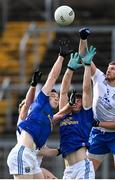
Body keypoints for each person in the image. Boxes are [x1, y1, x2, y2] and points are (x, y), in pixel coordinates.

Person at [7, 40, 74, 179]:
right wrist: (61, 56)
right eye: (53, 96)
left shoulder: (48, 117)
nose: (56, 98)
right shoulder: (40, 104)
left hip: (32, 157)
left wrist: (71, 105)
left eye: (57, 97)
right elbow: (53, 77)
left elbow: (60, 115)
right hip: (22, 153)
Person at [79, 28, 115, 179]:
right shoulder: (99, 78)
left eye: (113, 69)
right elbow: (83, 56)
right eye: (108, 68)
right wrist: (83, 39)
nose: (108, 71)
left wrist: (97, 123)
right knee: (87, 173)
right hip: (98, 135)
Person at [58, 46, 96, 179]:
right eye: (75, 99)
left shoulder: (85, 114)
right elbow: (63, 91)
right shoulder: (64, 113)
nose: (77, 102)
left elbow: (86, 89)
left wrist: (87, 65)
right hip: (68, 171)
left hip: (82, 167)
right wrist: (69, 69)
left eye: (80, 101)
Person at [17, 70, 58, 179]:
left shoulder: (41, 122)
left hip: (34, 164)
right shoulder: (25, 119)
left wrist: (62, 150)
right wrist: (33, 85)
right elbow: (27, 105)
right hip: (24, 158)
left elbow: (45, 151)